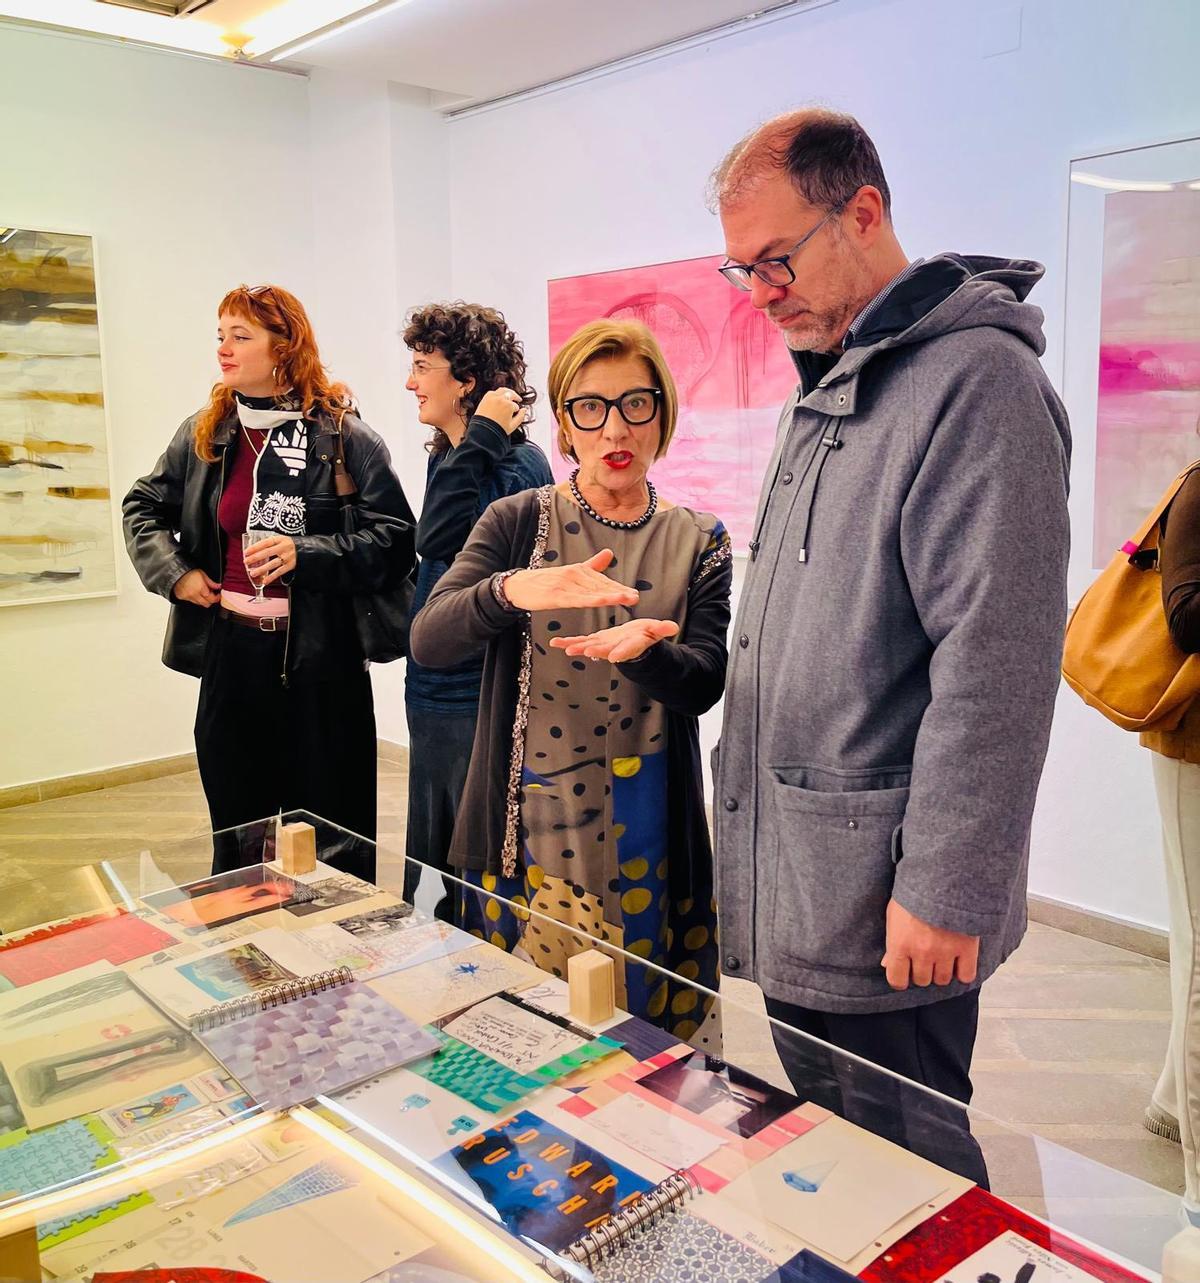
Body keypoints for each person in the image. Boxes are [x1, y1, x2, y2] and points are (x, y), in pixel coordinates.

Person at [708, 110, 1071, 1129]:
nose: (763, 294)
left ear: (862, 212)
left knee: (912, 1173)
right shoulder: (829, 380)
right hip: (810, 877)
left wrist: (949, 883)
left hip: (888, 898)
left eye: (777, 260)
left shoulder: (980, 383)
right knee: (841, 1157)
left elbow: (997, 660)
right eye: (744, 272)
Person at [409, 319, 732, 1040]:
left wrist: (645, 652)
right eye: (591, 407)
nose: (615, 428)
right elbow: (429, 638)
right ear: (563, 422)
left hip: (652, 826)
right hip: (531, 829)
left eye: (635, 404)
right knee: (529, 1041)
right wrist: (511, 591)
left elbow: (705, 680)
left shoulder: (700, 538)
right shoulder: (519, 519)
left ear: (662, 413)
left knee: (653, 1054)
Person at [123, 284, 415, 881]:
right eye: (220, 335)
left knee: (335, 837)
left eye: (241, 336)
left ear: (284, 347)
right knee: (238, 833)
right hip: (232, 653)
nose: (224, 350)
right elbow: (142, 507)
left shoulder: (342, 436)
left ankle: (341, 964)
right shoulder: (206, 432)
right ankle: (241, 960)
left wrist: (304, 555)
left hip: (323, 660)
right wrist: (175, 574)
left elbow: (395, 539)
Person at [401, 303, 553, 923]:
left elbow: (434, 537)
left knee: (475, 861)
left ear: (465, 382)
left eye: (421, 367)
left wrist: (486, 434)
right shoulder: (450, 456)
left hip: (479, 688)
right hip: (433, 681)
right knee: (430, 848)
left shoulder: (521, 464)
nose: (411, 382)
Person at [1141, 456, 1200, 1228]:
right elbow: (1185, 612)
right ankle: (1196, 1194)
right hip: (1194, 745)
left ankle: (1167, 1098)